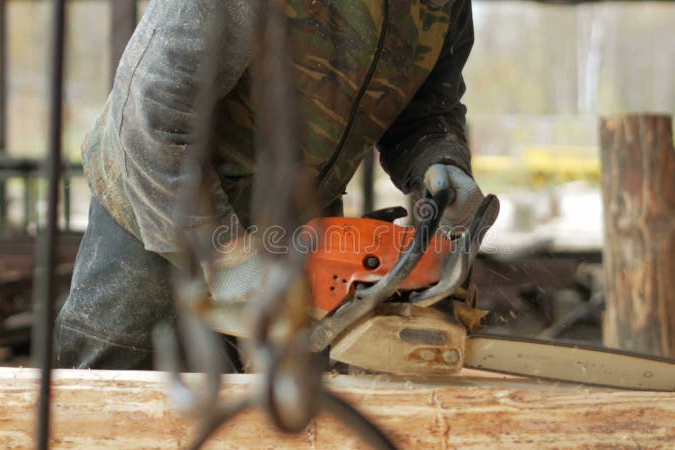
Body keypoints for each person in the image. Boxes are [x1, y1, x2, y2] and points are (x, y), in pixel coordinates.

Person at [55, 0, 486, 370]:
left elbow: (427, 110)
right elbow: (155, 112)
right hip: (156, 202)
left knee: (285, 421)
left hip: (296, 225)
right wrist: (222, 250)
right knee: (109, 398)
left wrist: (439, 159)